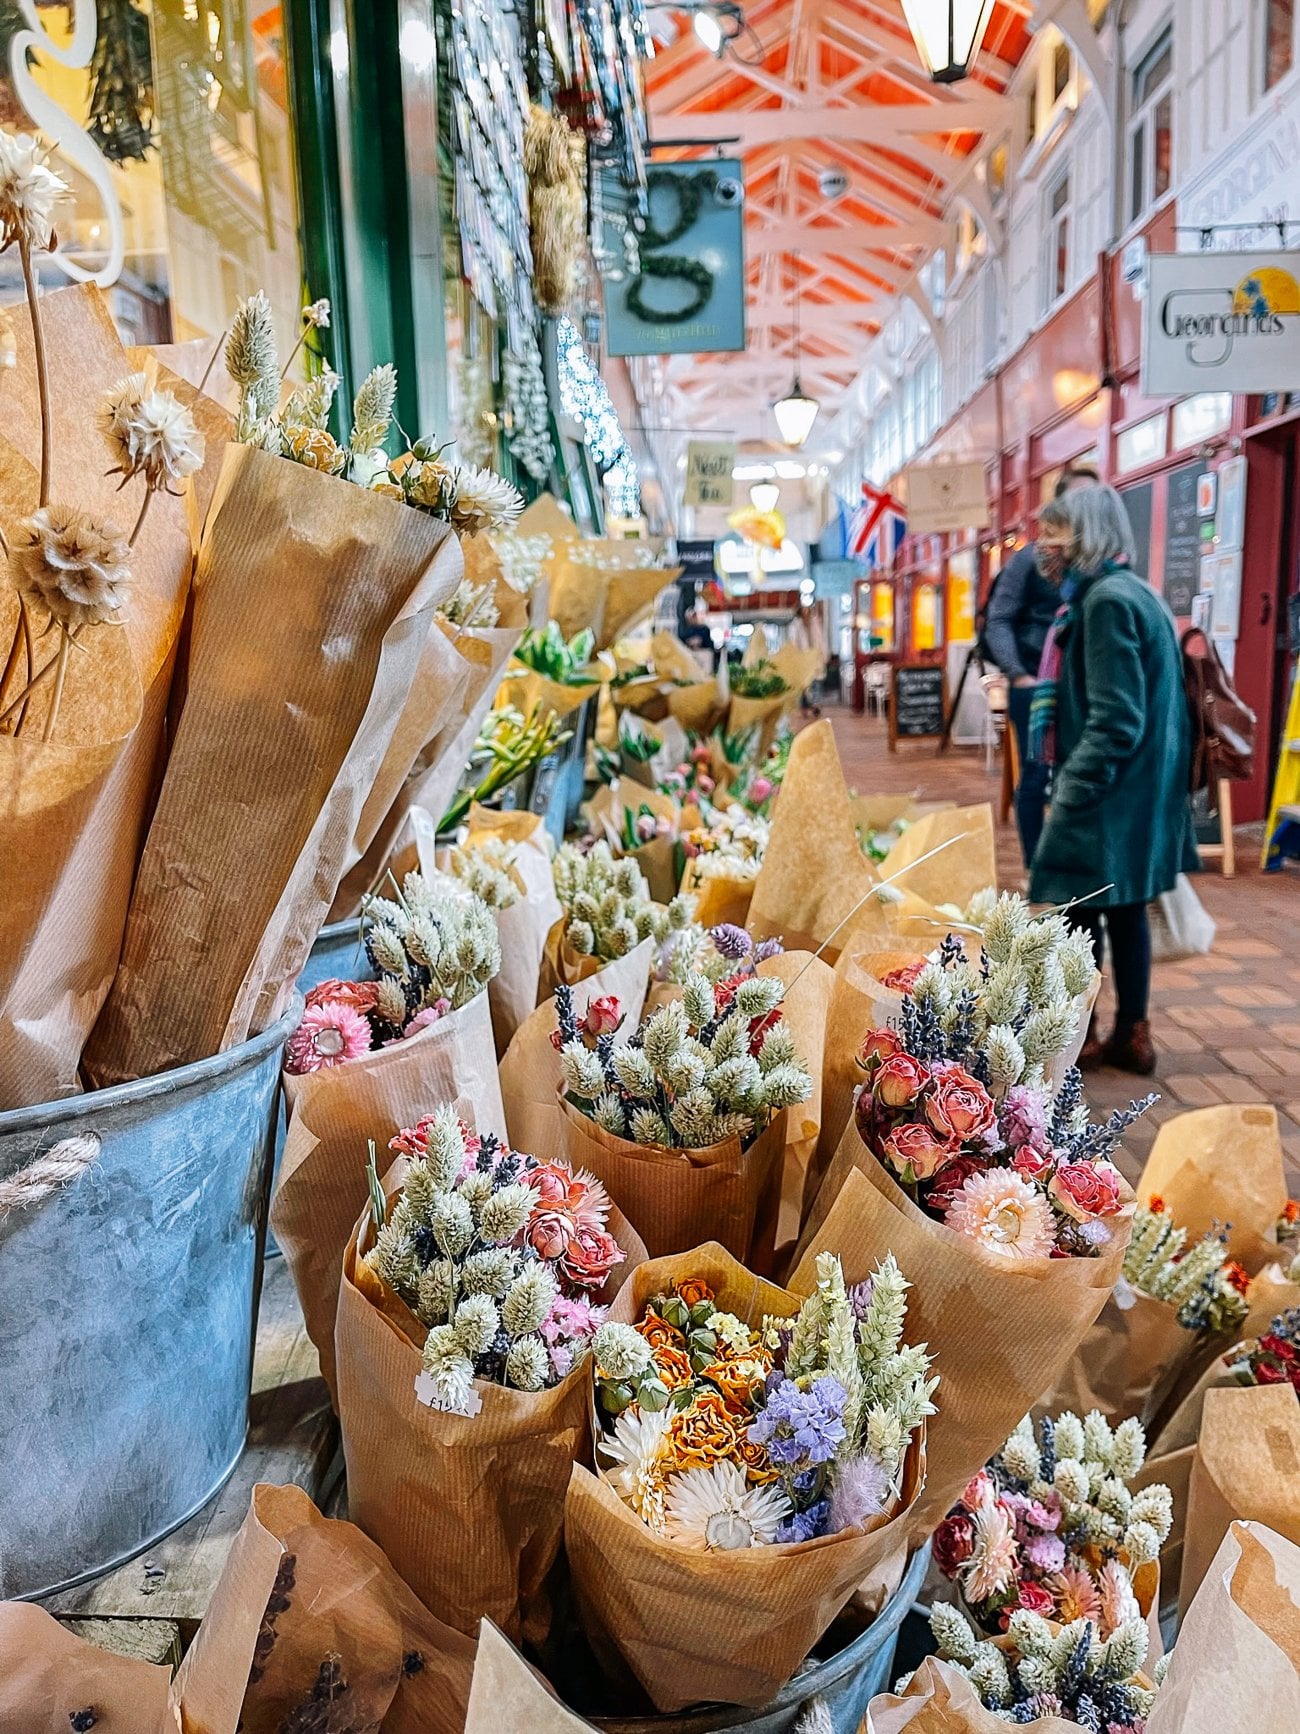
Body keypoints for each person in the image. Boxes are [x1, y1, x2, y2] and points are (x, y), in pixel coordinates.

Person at [1028, 485, 1199, 1076]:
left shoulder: (1103, 603)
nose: (1042, 547)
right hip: (1141, 794)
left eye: (1054, 533)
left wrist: (1071, 790)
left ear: (1084, 536)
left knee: (1078, 915)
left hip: (1110, 797)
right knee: (1125, 910)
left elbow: (1116, 719)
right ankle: (1132, 1031)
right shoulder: (1134, 592)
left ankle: (1087, 1037)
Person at [983, 464, 1100, 867]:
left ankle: (1077, 863)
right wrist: (1020, 674)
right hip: (1036, 681)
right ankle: (1038, 868)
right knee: (1034, 776)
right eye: (1079, 499)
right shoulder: (1029, 561)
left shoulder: (1102, 567)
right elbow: (998, 620)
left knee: (1080, 773)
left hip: (1085, 686)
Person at [788, 602, 825, 716]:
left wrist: (823, 654)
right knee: (804, 685)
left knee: (816, 682)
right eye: (804, 612)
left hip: (815, 658)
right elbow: (794, 643)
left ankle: (816, 705)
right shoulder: (795, 626)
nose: (806, 614)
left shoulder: (815, 624)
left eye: (808, 611)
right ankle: (804, 707)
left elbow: (821, 641)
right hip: (802, 659)